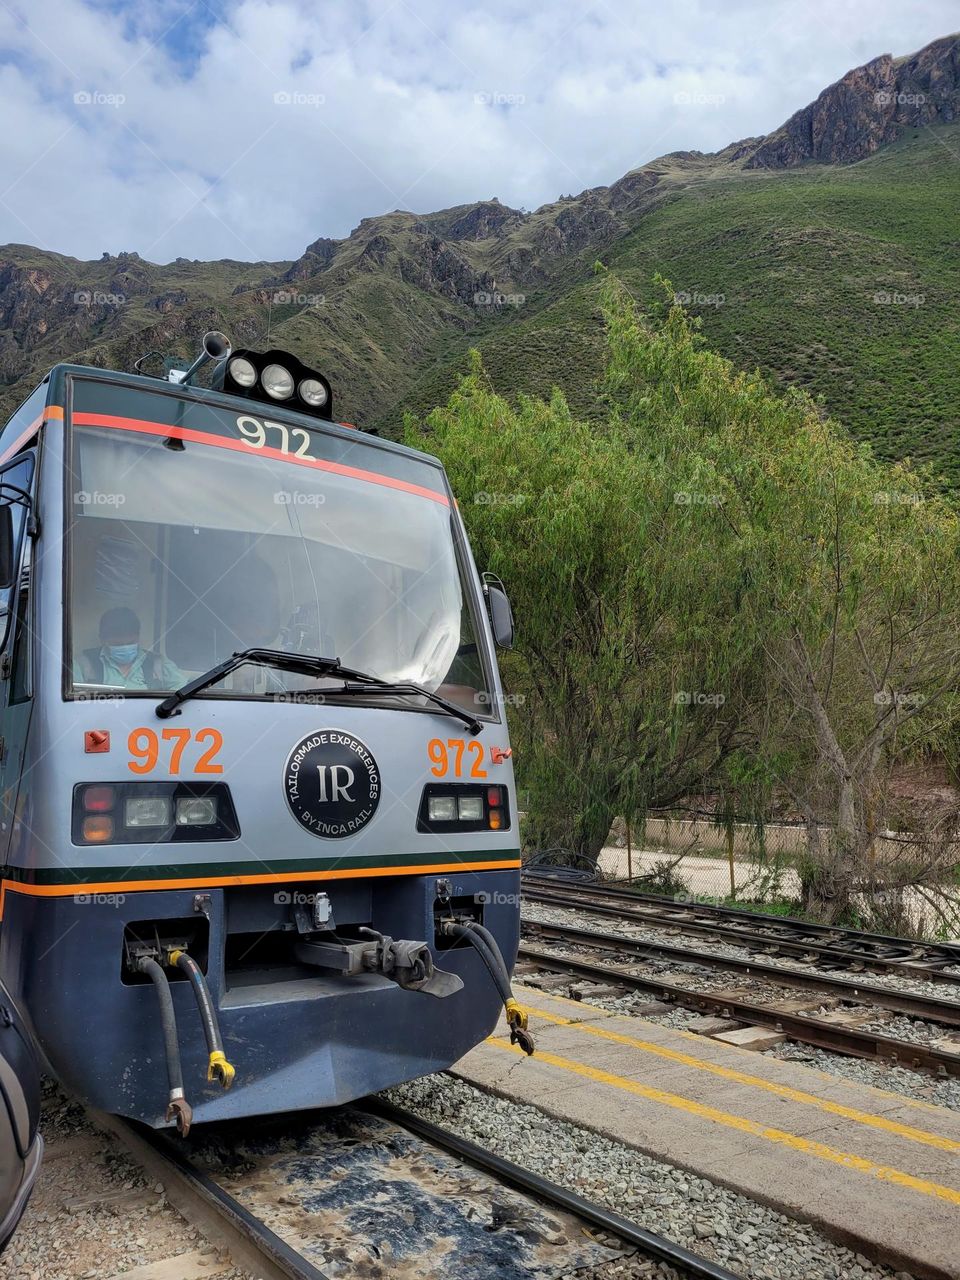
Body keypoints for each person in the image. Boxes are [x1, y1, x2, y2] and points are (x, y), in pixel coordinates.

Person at [74, 607, 184, 690]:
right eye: (117, 644)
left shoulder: (158, 664)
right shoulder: (82, 665)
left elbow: (183, 691)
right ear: (102, 640)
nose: (125, 648)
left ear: (138, 637)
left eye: (130, 643)